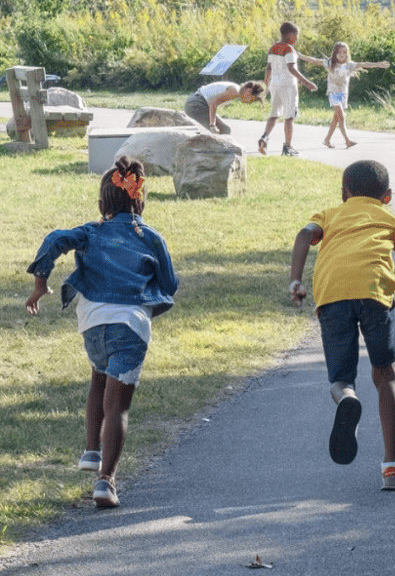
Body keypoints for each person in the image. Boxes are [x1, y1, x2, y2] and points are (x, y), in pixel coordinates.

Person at [24, 156, 178, 509]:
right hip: (131, 325)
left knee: (98, 378)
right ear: (140, 199)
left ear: (101, 203)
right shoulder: (151, 237)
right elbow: (169, 283)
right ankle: (106, 481)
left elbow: (55, 239)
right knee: (118, 405)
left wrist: (40, 284)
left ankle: (91, 451)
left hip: (91, 323)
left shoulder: (91, 232)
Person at [289, 159, 395, 490]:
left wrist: (295, 281)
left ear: (344, 193)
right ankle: (392, 469)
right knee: (384, 375)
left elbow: (305, 235)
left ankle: (346, 397)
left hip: (332, 294)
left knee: (340, 378)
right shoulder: (394, 221)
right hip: (375, 293)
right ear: (387, 196)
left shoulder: (330, 215)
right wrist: (387, 291)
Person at [298, 42, 389, 148]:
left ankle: (327, 139)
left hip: (343, 95)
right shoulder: (330, 63)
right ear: (335, 53)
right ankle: (347, 141)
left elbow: (364, 64)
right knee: (341, 116)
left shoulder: (349, 65)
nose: (342, 54)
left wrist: (379, 64)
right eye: (339, 52)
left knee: (337, 118)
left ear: (347, 54)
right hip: (333, 93)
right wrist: (300, 55)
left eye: (344, 52)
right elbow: (314, 60)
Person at [258, 21, 318, 157]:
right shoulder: (288, 49)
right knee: (289, 117)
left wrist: (267, 85)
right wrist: (306, 82)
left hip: (275, 85)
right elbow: (291, 68)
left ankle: (264, 137)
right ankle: (287, 147)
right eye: (296, 36)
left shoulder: (273, 48)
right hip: (288, 86)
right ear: (290, 35)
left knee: (274, 114)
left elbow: (268, 68)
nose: (297, 39)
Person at [184, 80, 266, 134]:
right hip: (196, 104)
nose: (249, 103)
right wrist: (212, 125)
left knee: (223, 129)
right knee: (224, 130)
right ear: (248, 91)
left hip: (196, 102)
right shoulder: (234, 91)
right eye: (251, 100)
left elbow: (213, 101)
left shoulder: (235, 90)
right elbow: (213, 103)